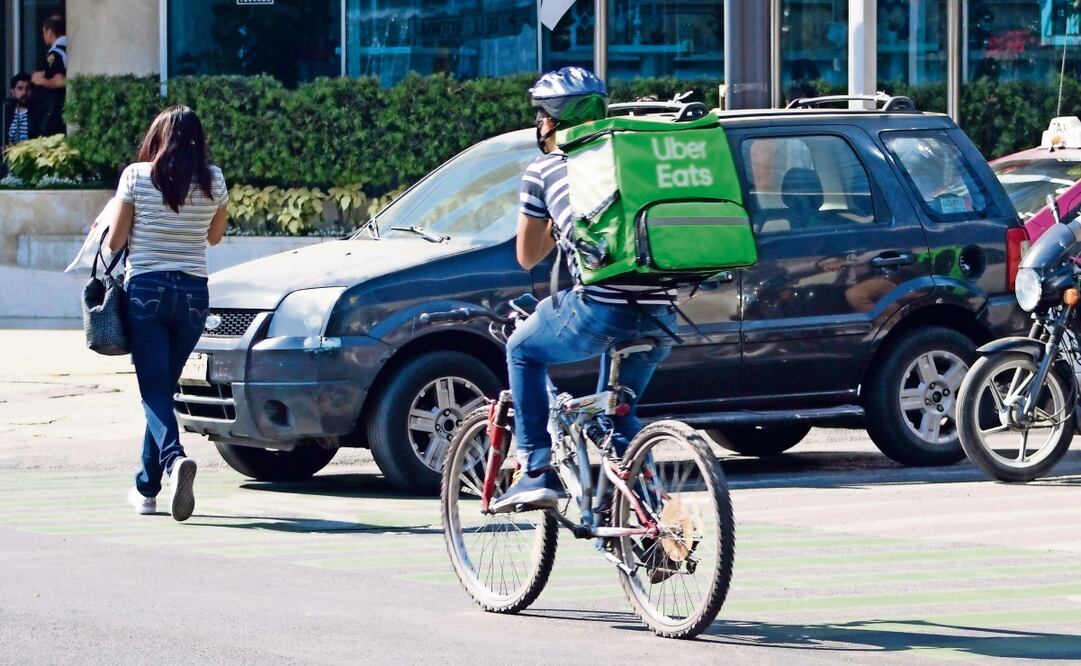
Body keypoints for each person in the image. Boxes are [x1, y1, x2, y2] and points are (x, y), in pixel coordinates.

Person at [492, 67, 677, 512]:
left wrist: (558, 229)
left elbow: (527, 256)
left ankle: (534, 469)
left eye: (540, 115)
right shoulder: (632, 160)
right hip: (662, 311)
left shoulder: (544, 170)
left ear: (550, 120)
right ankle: (652, 523)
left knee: (521, 349)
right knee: (615, 418)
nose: (538, 124)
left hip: (601, 308)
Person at [105, 106, 229, 521]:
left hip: (147, 291)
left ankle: (175, 461)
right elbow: (213, 238)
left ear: (159, 137)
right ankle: (147, 488)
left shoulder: (137, 176)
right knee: (160, 387)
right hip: (193, 295)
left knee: (153, 390)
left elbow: (116, 242)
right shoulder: (214, 180)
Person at [30, 14, 67, 136]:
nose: (43, 35)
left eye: (44, 31)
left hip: (54, 110)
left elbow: (60, 81)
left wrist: (39, 80)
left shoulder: (54, 53)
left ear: (50, 32)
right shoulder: (68, 47)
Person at [4, 73, 35, 149]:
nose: (24, 92)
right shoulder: (5, 113)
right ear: (13, 92)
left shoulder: (37, 113)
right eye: (20, 88)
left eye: (28, 89)